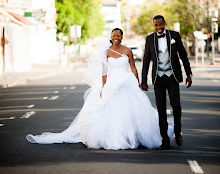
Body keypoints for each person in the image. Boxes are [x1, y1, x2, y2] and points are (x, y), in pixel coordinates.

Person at [26, 28, 173, 150]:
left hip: (127, 82)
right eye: (114, 35)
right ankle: (114, 137)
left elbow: (133, 68)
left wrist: (138, 83)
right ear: (111, 37)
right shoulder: (106, 52)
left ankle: (133, 135)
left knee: (134, 110)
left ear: (122, 37)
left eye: (119, 35)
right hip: (112, 84)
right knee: (108, 111)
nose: (116, 37)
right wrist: (104, 88)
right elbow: (104, 72)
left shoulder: (128, 51)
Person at [140, 15, 192, 150]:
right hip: (158, 79)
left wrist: (188, 74)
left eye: (160, 24)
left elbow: (183, 55)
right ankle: (165, 140)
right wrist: (144, 81)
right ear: (154, 26)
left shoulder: (174, 36)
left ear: (164, 24)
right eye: (156, 25)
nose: (158, 27)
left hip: (172, 76)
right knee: (161, 109)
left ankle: (178, 132)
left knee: (176, 105)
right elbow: (146, 61)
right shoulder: (150, 39)